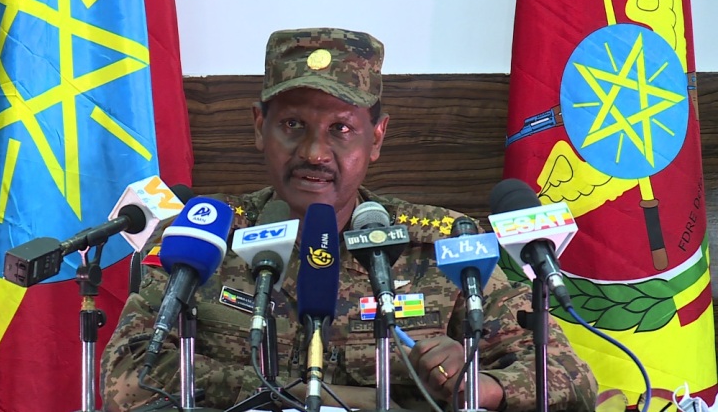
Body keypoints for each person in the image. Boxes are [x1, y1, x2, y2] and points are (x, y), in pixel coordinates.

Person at [100, 27, 598, 411]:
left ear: (376, 138)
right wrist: (311, 396)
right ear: (258, 127)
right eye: (292, 124)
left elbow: (569, 375)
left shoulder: (439, 243)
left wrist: (484, 385)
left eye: (340, 128)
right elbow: (127, 376)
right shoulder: (203, 235)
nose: (314, 152)